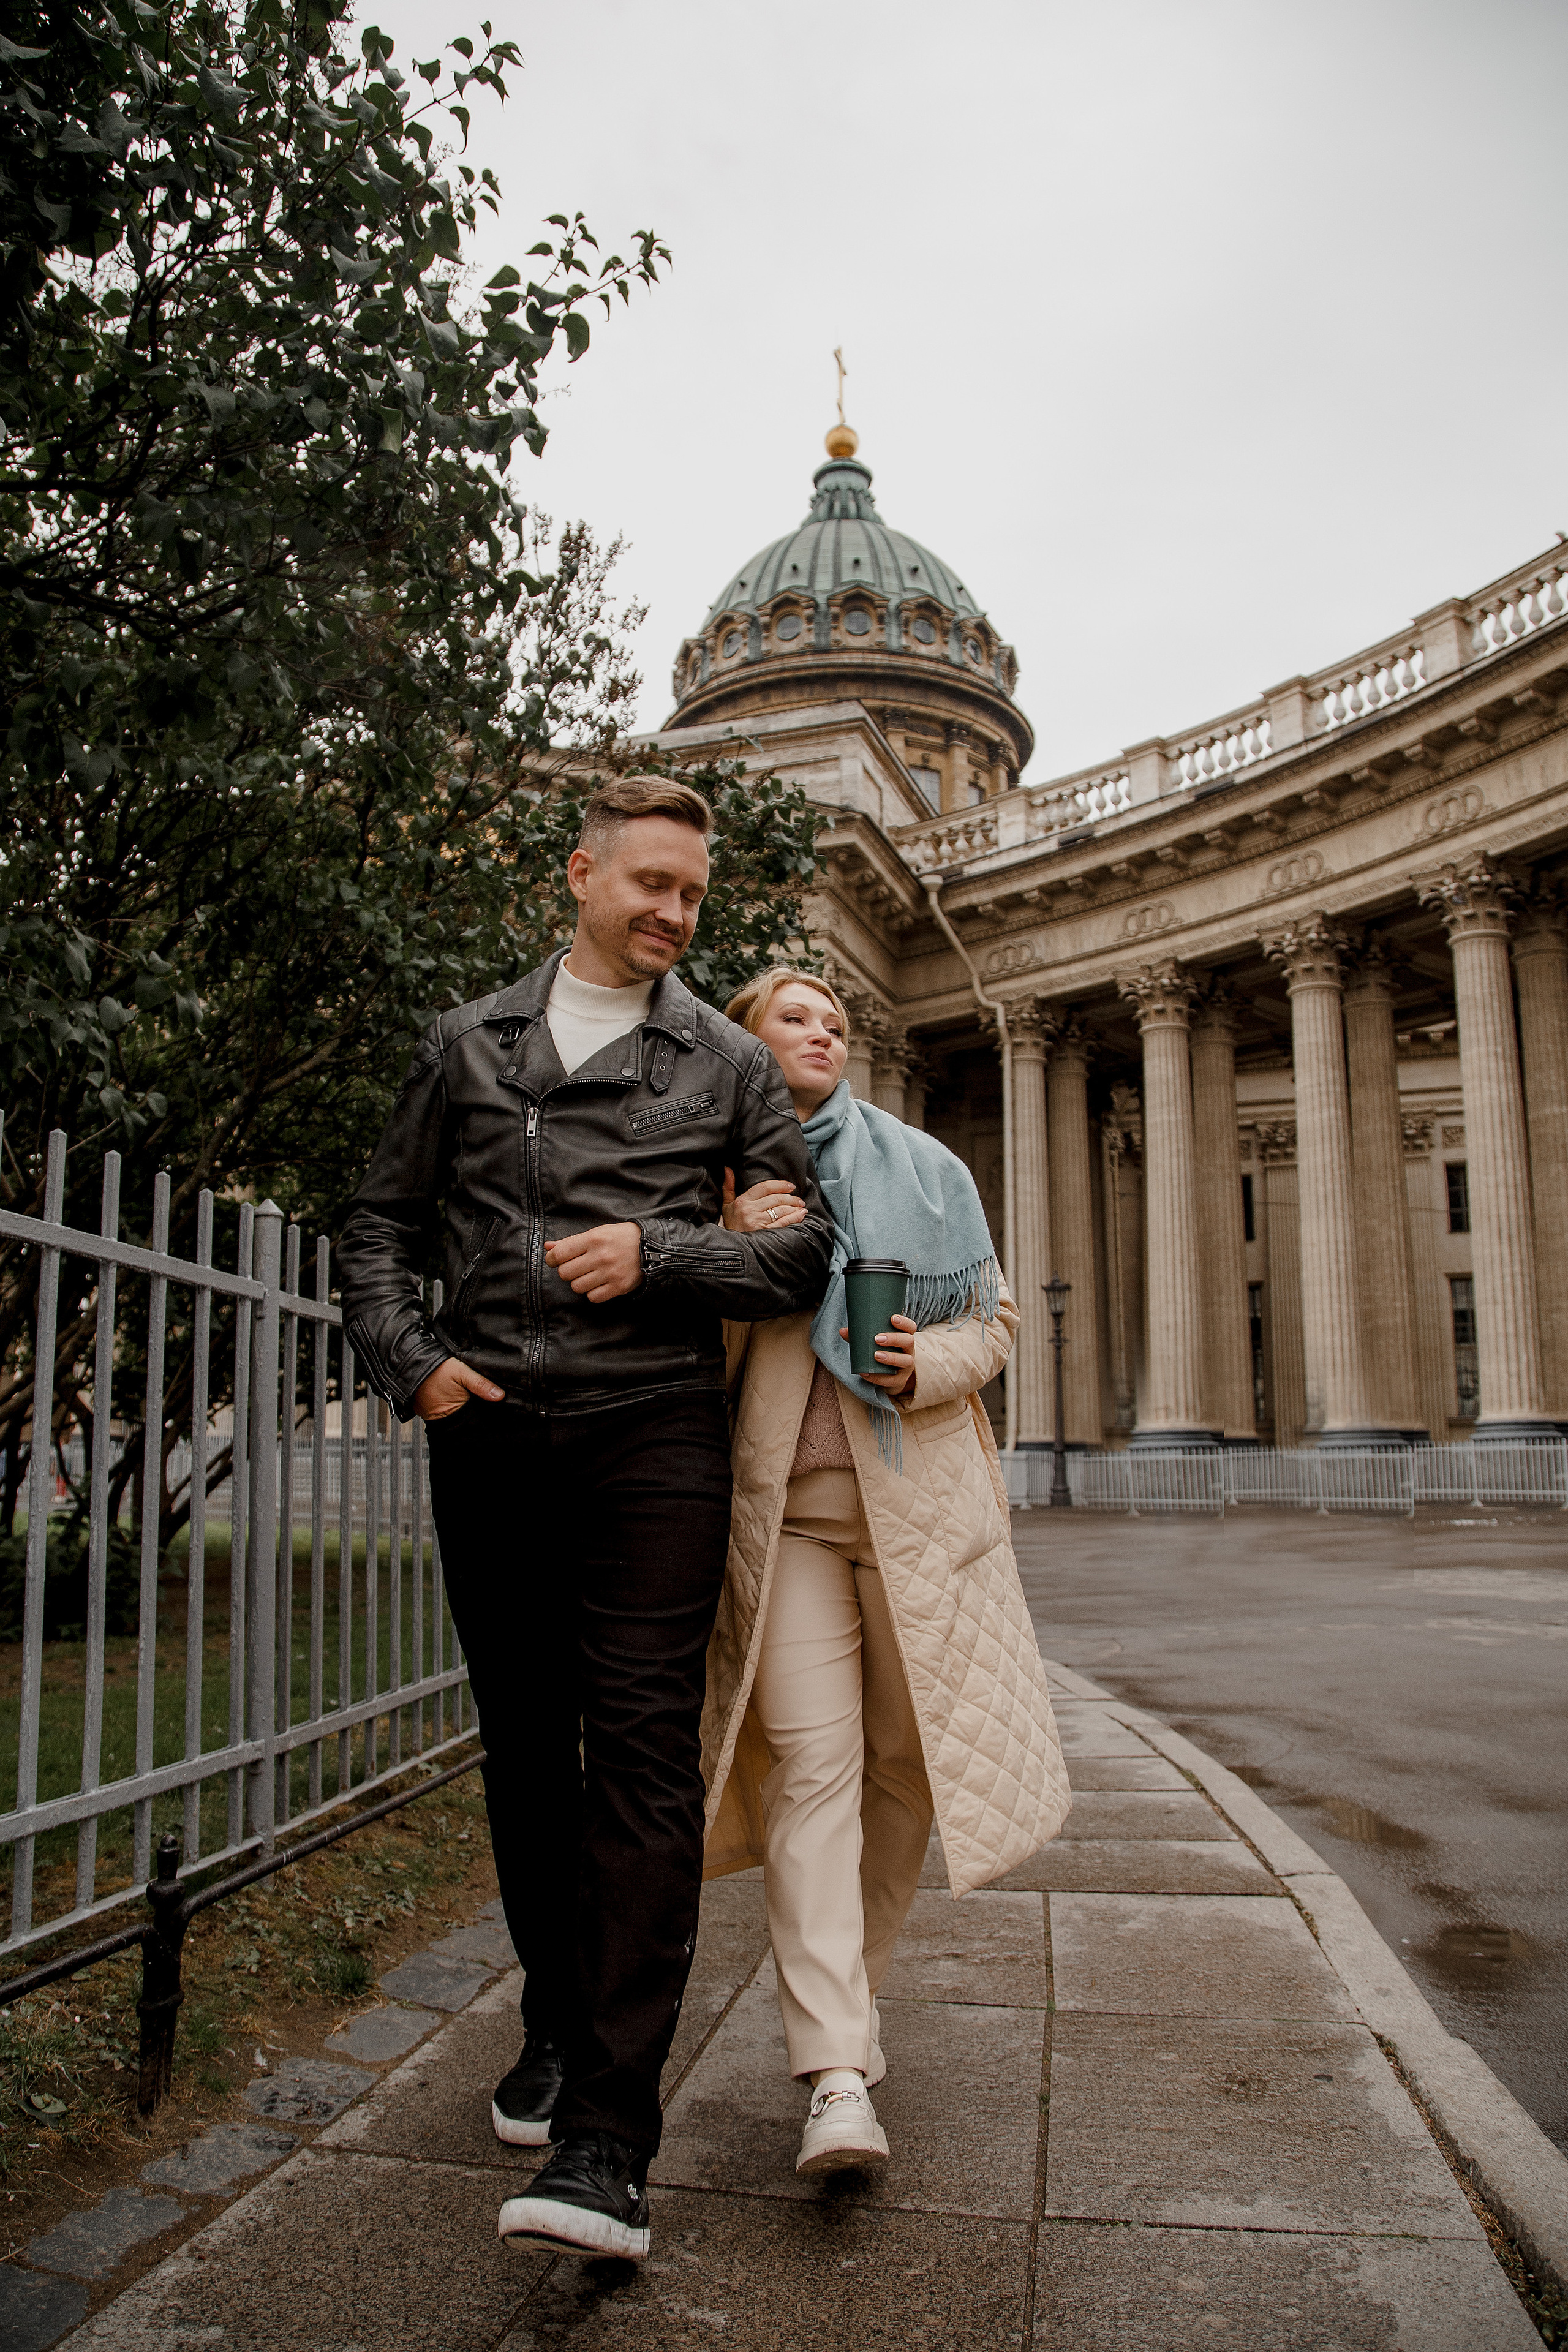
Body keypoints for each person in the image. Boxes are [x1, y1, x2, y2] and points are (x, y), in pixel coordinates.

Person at [336, 782, 834, 2260]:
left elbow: (803, 1251)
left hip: (652, 1434)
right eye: (651, 884)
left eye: (692, 894)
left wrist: (662, 1254)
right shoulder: (466, 1042)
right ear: (581, 874)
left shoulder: (727, 1060)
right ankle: (554, 2027)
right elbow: (378, 1226)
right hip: (487, 1429)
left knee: (637, 1758)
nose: (674, 913)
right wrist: (414, 1363)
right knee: (525, 1749)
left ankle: (608, 2140)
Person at [701, 969, 1071, 2175]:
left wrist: (926, 1364)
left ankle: (848, 2012)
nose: (823, 1032)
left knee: (908, 1767)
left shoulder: (928, 1169)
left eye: (836, 1021)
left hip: (922, 1513)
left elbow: (993, 1324)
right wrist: (727, 1249)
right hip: (790, 1521)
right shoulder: (715, 1175)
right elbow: (678, 1345)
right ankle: (835, 2074)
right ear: (745, 1045)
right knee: (814, 1770)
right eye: (795, 1017)